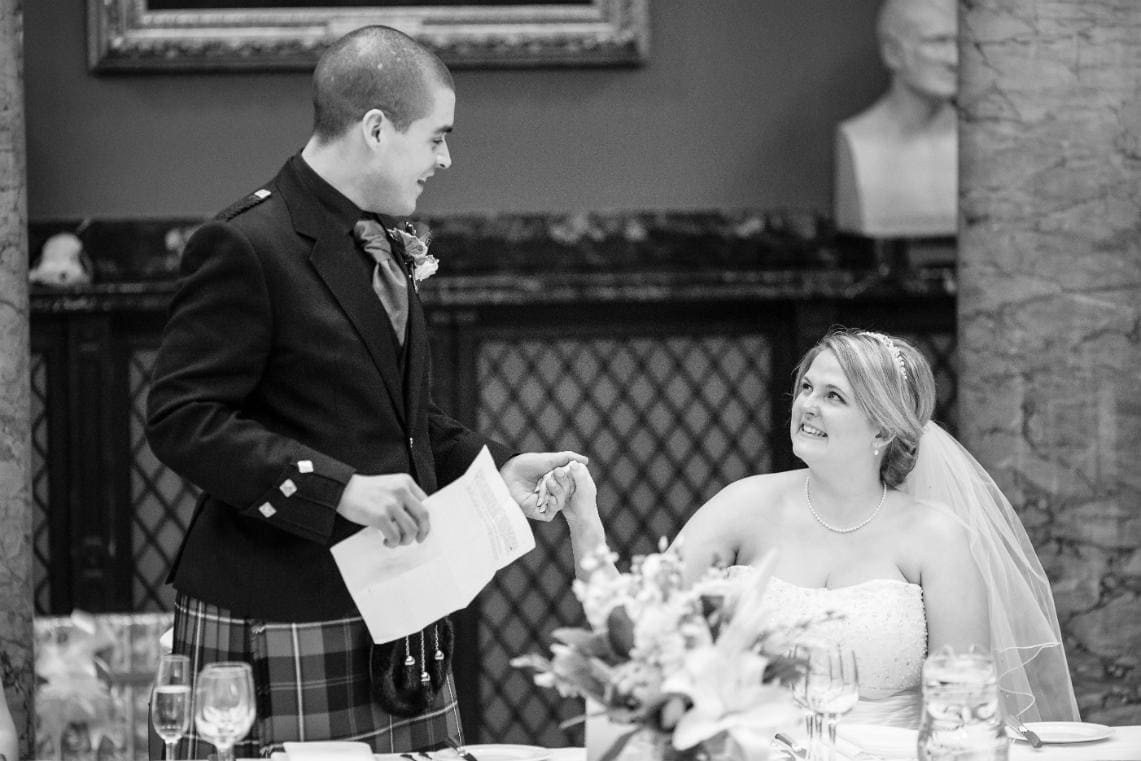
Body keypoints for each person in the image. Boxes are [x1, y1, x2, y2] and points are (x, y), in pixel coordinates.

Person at [145, 25, 581, 757]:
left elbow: (401, 416)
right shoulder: (246, 244)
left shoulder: (377, 237)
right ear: (376, 129)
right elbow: (181, 420)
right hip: (281, 608)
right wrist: (337, 489)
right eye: (436, 137)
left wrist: (492, 464)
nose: (446, 158)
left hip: (400, 608)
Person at [561, 329, 1078, 729]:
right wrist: (584, 520)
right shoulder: (744, 505)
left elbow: (963, 709)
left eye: (834, 396)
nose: (807, 404)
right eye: (807, 386)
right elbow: (636, 633)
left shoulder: (935, 537)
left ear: (882, 427)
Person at [834, 0, 957, 237]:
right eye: (937, 41)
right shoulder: (859, 141)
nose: (954, 60)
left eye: (960, 43)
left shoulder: (985, 144)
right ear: (893, 52)